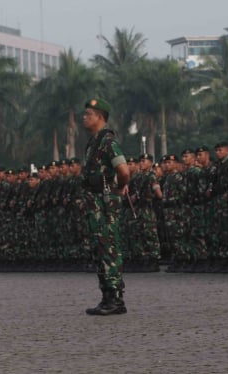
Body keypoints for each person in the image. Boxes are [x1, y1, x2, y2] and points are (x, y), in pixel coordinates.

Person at [81, 97, 130, 316]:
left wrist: (119, 187)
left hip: (105, 202)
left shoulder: (108, 142)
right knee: (100, 249)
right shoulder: (94, 143)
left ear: (100, 117)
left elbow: (124, 171)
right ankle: (106, 297)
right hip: (95, 203)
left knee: (109, 248)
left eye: (88, 114)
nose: (84, 118)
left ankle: (116, 299)